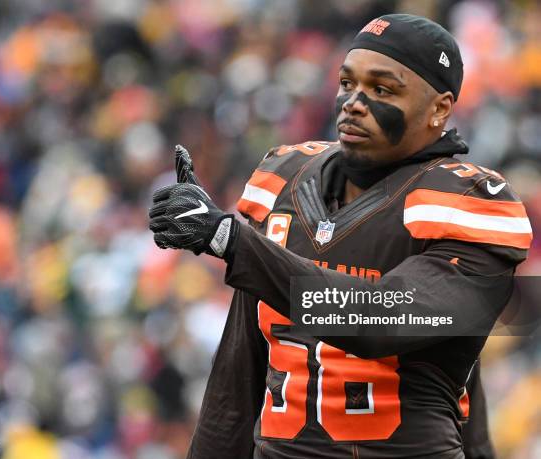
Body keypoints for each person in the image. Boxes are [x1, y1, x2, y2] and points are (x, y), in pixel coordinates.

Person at [148, 14, 532, 459]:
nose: (354, 102)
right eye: (347, 83)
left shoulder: (469, 202)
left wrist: (230, 241)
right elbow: (238, 374)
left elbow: (382, 321)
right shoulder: (283, 180)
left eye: (382, 89)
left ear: (439, 109)